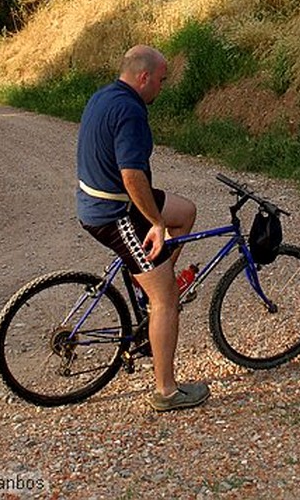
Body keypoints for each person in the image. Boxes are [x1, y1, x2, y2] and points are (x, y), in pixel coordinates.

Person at [76, 44, 210, 412]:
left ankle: (150, 275)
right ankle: (166, 391)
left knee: (185, 213)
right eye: (162, 81)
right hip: (114, 212)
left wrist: (159, 220)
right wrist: (153, 221)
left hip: (105, 198)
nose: (161, 89)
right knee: (166, 298)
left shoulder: (104, 95)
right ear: (144, 77)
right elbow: (132, 176)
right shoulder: (131, 111)